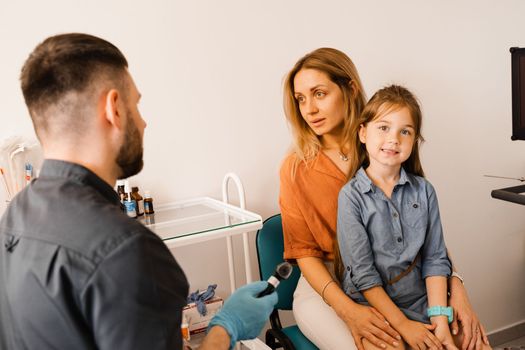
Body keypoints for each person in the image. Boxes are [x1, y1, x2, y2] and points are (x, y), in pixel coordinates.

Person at [0, 33, 277, 350]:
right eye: (137, 104)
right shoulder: (127, 250)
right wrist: (226, 328)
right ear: (114, 108)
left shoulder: (15, 214)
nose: (143, 123)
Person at [279, 48, 490, 350]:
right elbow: (304, 254)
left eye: (319, 93)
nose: (309, 108)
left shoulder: (385, 139)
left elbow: (421, 230)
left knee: (471, 339)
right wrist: (349, 312)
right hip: (328, 285)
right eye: (301, 99)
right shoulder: (296, 168)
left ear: (349, 89)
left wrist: (457, 287)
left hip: (402, 279)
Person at [337, 85, 486, 350]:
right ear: (362, 132)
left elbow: (435, 258)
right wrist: (404, 326)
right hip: (375, 307)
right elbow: (364, 276)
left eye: (404, 131)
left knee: (475, 345)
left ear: (414, 140)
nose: (393, 139)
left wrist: (440, 321)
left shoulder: (424, 190)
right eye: (383, 128)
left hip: (422, 299)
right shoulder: (351, 197)